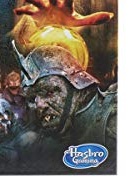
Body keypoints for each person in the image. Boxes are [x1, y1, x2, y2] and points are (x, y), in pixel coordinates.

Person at [14, 43, 116, 172]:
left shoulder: (113, 119)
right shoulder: (42, 139)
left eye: (49, 92)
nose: (39, 105)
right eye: (32, 99)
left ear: (77, 87)